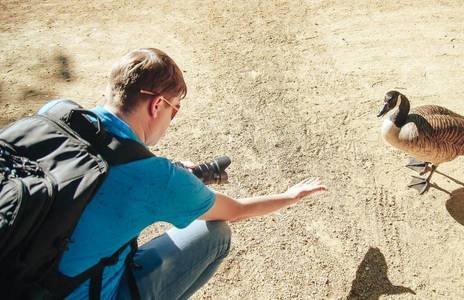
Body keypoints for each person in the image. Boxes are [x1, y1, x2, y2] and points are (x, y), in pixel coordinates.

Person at [38, 48, 327, 299]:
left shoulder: (54, 114)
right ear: (156, 105)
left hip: (18, 276)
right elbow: (235, 211)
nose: (171, 120)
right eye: (174, 110)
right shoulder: (156, 177)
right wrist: (291, 195)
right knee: (215, 234)